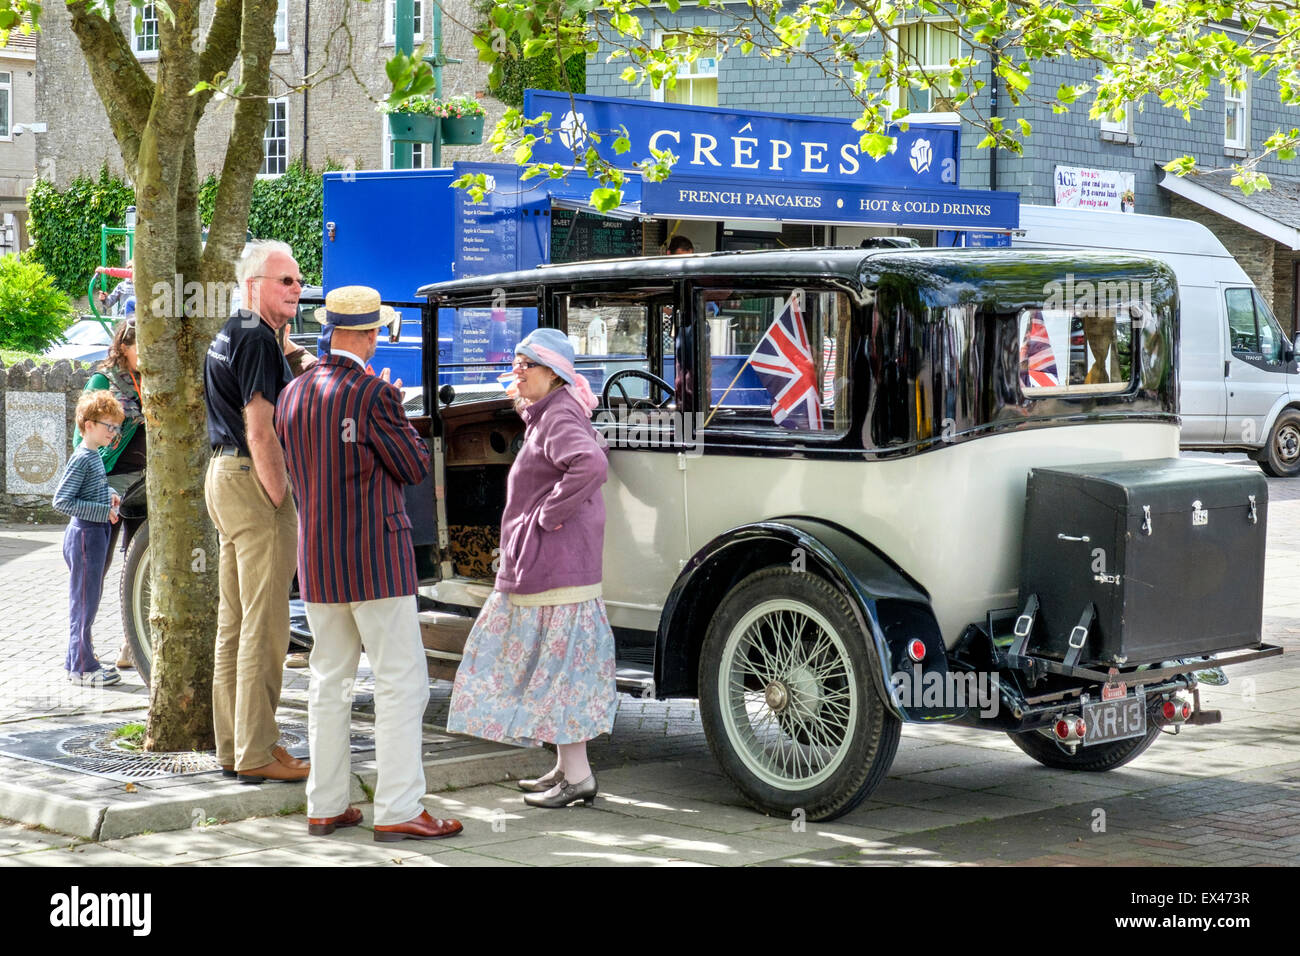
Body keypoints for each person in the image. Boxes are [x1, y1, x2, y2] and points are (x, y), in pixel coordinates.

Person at [276, 286, 462, 841]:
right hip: (376, 560)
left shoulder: (294, 393)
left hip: (320, 560)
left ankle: (326, 804)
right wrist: (399, 412)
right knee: (402, 682)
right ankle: (400, 808)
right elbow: (412, 467)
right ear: (371, 334)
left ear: (332, 329)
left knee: (328, 681)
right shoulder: (373, 394)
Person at [448, 327, 617, 809]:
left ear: (555, 374)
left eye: (527, 365)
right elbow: (588, 449)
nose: (517, 372)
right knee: (556, 665)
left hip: (557, 563)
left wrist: (547, 514)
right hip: (556, 564)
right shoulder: (556, 412)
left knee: (558, 670)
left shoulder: (560, 416)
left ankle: (578, 777)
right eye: (517, 363)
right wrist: (525, 403)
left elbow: (589, 464)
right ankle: (568, 768)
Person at [203, 240, 308, 785]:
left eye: (297, 280)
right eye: (284, 281)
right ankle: (257, 751)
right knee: (265, 627)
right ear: (252, 285)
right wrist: (279, 494)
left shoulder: (233, 332)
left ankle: (234, 746)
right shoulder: (257, 341)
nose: (297, 288)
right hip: (251, 479)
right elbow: (260, 428)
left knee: (235, 622)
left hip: (222, 476)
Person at [74, 320, 145, 668]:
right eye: (140, 346)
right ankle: (81, 647)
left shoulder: (153, 378)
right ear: (123, 346)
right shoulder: (103, 381)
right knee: (94, 569)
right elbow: (80, 441)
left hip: (146, 485)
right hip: (109, 484)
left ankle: (131, 646)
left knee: (140, 568)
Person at [53, 391, 125, 686]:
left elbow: (90, 490)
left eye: (116, 427)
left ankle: (78, 661)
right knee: (83, 603)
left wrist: (109, 495)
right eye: (109, 426)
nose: (114, 432)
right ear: (88, 424)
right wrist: (101, 510)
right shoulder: (82, 458)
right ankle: (82, 668)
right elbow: (62, 501)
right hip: (84, 535)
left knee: (88, 601)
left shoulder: (94, 455)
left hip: (94, 534)